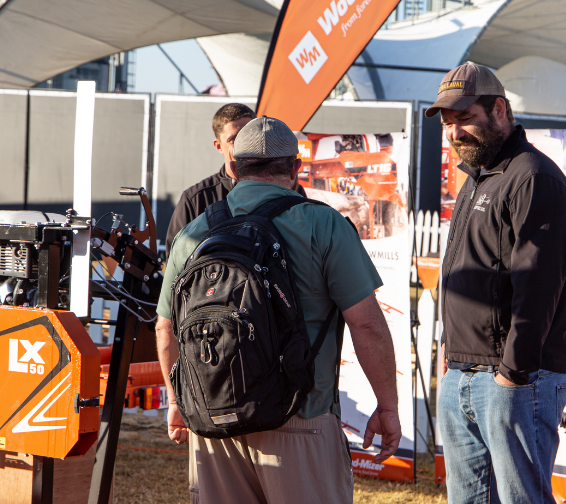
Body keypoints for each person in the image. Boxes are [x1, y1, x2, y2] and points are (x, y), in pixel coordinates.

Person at [155, 116, 401, 504]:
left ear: (234, 166)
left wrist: (177, 401)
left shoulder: (196, 231)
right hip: (301, 416)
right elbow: (367, 324)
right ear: (295, 167)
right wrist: (387, 406)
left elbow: (166, 328)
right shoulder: (325, 225)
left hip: (214, 422)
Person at [428, 63, 566, 503]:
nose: (455, 133)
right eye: (449, 124)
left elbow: (540, 286)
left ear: (499, 110)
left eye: (465, 119)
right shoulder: (477, 178)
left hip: (516, 377)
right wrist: (449, 352)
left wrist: (513, 373)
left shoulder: (533, 177)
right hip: (465, 371)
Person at [165, 104, 307, 253]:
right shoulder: (195, 198)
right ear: (219, 146)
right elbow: (176, 259)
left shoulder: (292, 190)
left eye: (249, 136)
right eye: (235, 139)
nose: (245, 144)